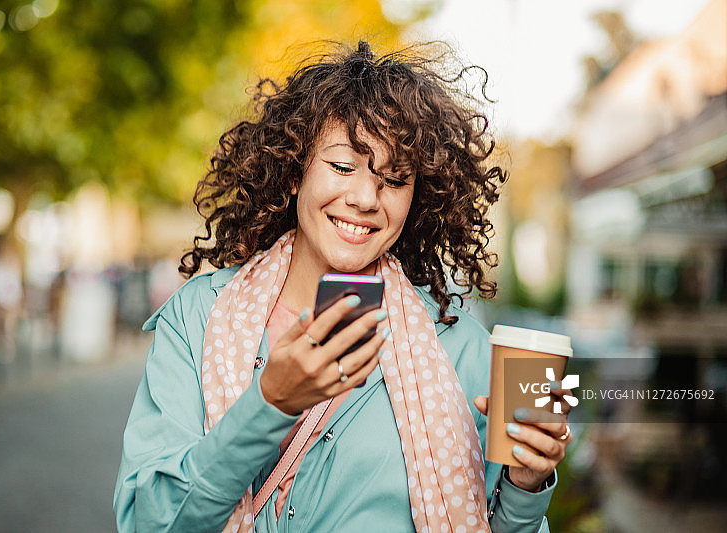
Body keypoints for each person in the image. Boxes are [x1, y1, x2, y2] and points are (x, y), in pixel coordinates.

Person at [114, 40, 572, 532]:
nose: (364, 198)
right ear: (295, 173)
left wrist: (526, 486)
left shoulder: (459, 346)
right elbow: (146, 521)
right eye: (342, 167)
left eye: (394, 179)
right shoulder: (197, 316)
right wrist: (268, 404)